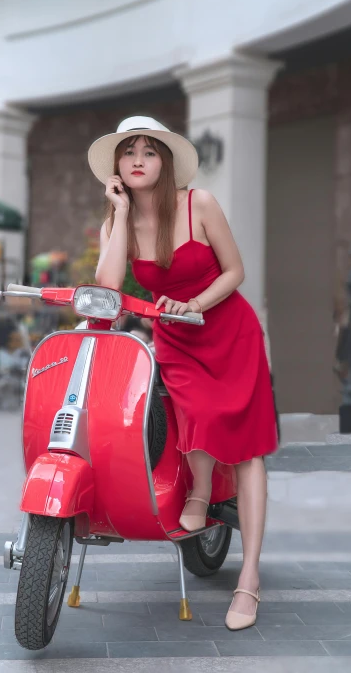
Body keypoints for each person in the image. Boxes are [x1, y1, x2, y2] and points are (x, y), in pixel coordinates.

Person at [90, 116, 278, 632]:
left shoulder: (201, 204)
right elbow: (107, 287)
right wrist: (120, 213)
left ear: (165, 162)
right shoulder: (117, 219)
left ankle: (250, 579)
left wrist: (193, 302)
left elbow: (236, 270)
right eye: (128, 152)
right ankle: (197, 492)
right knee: (193, 411)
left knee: (245, 446)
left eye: (149, 152)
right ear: (117, 168)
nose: (138, 160)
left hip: (228, 329)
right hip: (173, 335)